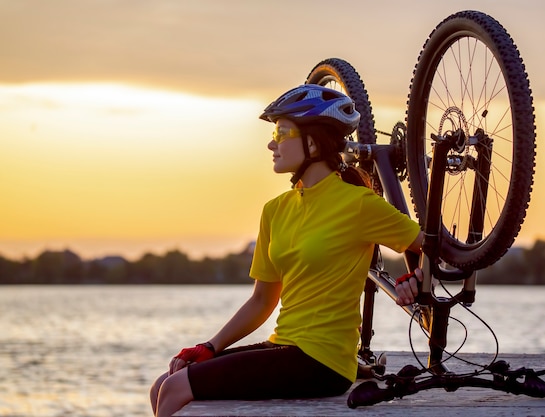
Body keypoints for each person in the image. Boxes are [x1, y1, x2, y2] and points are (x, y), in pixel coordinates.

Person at [149, 84, 424, 417]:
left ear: (313, 141)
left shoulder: (358, 205)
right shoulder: (275, 209)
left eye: (281, 132)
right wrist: (211, 346)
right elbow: (262, 300)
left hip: (324, 361)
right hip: (285, 345)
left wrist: (416, 275)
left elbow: (430, 247)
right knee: (164, 381)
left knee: (175, 389)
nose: (271, 143)